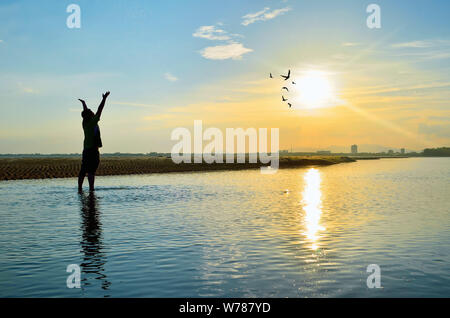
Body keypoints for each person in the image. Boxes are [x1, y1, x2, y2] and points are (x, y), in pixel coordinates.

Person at [78, 91, 110, 192]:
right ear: (90, 115)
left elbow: (86, 112)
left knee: (83, 170)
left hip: (86, 150)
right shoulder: (92, 122)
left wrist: (83, 104)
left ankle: (80, 189)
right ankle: (91, 189)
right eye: (91, 112)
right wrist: (104, 99)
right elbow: (100, 110)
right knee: (91, 171)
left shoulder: (84, 122)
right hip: (92, 150)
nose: (93, 112)